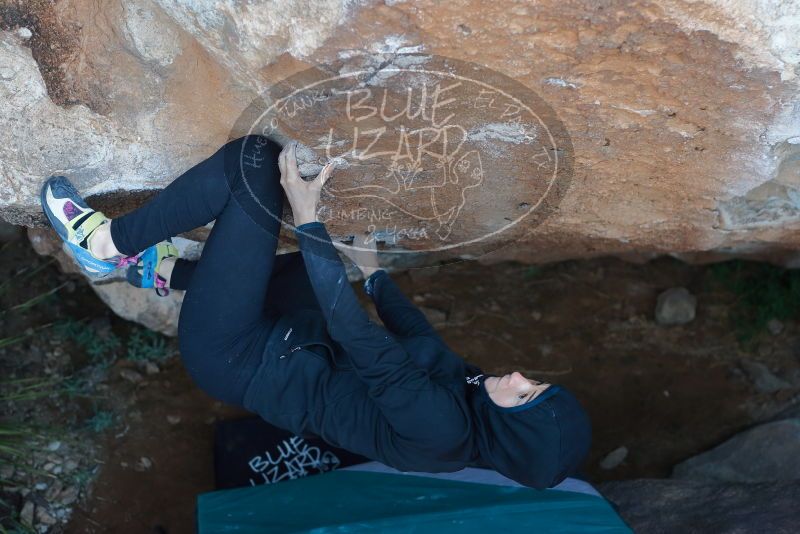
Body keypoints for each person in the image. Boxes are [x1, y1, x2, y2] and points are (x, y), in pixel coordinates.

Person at [40, 135, 591, 489]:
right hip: (291, 337)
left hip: (237, 357)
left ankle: (107, 243)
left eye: (524, 395)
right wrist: (373, 272)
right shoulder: (475, 400)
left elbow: (355, 332)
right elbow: (421, 340)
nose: (519, 376)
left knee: (252, 166)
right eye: (535, 381)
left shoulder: (441, 427)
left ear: (511, 432)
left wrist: (308, 217)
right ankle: (161, 272)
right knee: (304, 270)